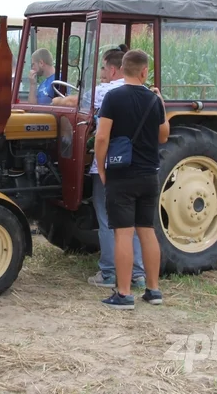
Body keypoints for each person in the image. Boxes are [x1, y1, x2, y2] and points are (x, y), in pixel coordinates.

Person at [94, 49, 169, 310]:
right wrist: (160, 102)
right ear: (144, 71)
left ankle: (124, 294)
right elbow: (163, 136)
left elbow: (102, 137)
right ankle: (153, 290)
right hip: (150, 175)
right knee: (147, 232)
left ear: (122, 69)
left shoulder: (113, 97)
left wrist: (101, 167)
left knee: (123, 234)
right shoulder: (154, 100)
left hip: (122, 174)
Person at [84, 47, 147, 289]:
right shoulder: (149, 94)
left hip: (111, 164)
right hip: (138, 166)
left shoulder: (104, 92)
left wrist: (99, 166)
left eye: (102, 68)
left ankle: (109, 272)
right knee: (135, 221)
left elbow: (100, 137)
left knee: (108, 219)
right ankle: (138, 274)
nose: (101, 72)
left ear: (112, 69)